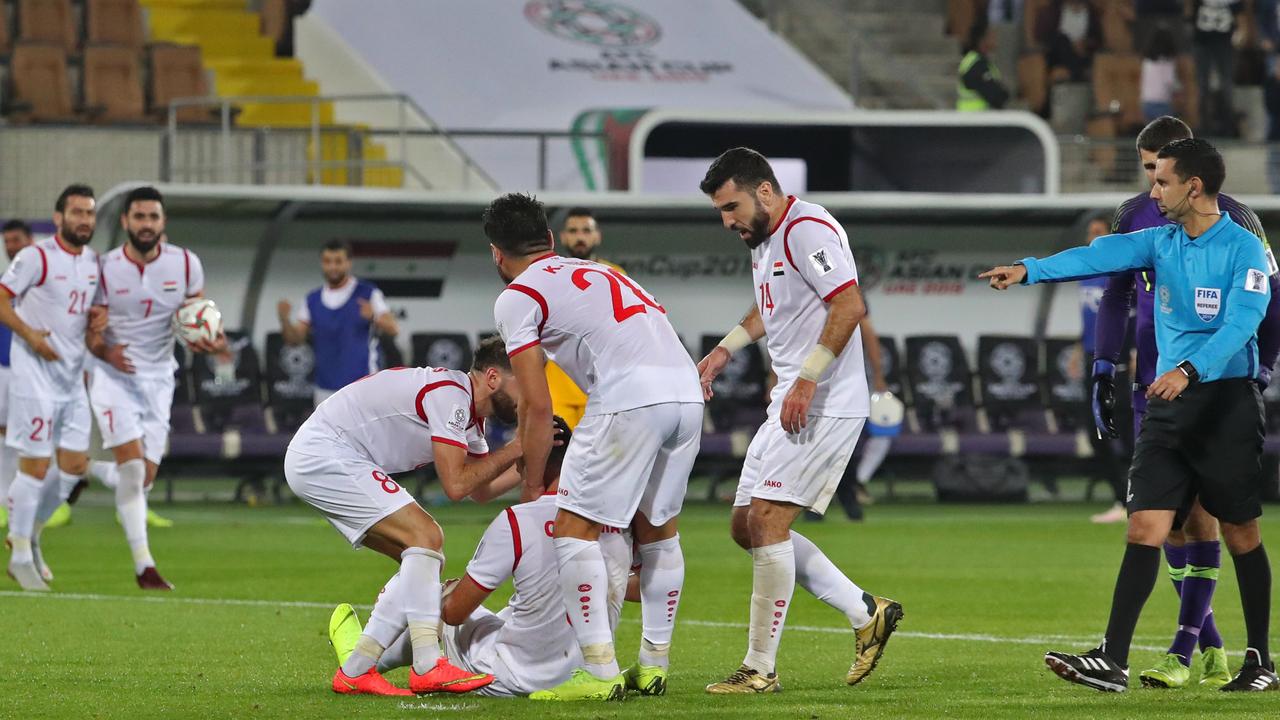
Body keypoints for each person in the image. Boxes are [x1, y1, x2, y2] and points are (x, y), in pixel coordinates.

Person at [980, 137, 1278, 693]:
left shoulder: (1244, 248)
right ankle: (1113, 659)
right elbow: (1098, 255)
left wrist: (1188, 368)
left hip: (1226, 403)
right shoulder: (1161, 242)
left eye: (1162, 180)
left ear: (1194, 187)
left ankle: (1259, 660)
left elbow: (1244, 323)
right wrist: (1028, 270)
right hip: (1170, 406)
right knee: (1144, 527)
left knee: (1240, 532)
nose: (1153, 190)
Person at [696, 147, 902, 694]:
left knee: (767, 522)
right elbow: (771, 308)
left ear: (764, 191)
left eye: (731, 206)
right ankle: (866, 612)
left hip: (823, 401)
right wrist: (723, 351)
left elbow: (850, 305)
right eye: (720, 210)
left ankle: (759, 669)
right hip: (791, 398)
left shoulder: (806, 228)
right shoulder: (764, 239)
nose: (727, 220)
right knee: (745, 527)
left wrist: (808, 377)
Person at [488, 193, 702, 701]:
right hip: (686, 390)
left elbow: (536, 407)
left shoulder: (517, 295)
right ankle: (653, 665)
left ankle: (599, 671)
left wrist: (534, 483)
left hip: (629, 395)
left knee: (572, 528)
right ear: (554, 240)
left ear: (497, 253)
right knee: (658, 533)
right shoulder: (607, 272)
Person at [1091, 116, 1280, 688]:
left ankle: (1193, 647)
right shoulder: (1135, 217)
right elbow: (1116, 293)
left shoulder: (1237, 223)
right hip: (1155, 386)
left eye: (1160, 170)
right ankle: (1196, 648)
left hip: (1213, 388)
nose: (1152, 182)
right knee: (1161, 524)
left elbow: (1269, 299)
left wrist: (1261, 367)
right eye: (1146, 168)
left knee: (1212, 523)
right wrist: (1106, 364)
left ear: (1188, 173)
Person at [325, 417, 641, 698]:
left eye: (519, 466)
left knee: (422, 579)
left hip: (509, 675)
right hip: (584, 671)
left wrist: (450, 591)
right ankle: (365, 658)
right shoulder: (613, 520)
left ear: (531, 463)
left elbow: (455, 613)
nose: (517, 474)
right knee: (504, 616)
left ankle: (361, 658)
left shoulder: (517, 521)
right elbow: (639, 588)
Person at [284, 337, 524, 696]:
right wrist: (517, 448)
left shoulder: (470, 419)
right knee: (427, 536)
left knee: (423, 559)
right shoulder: (451, 395)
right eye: (523, 380)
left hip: (330, 455)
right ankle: (427, 663)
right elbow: (456, 484)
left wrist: (529, 458)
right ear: (492, 377)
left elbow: (481, 489)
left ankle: (357, 669)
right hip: (325, 452)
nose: (531, 391)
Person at [80, 186, 224, 589]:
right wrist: (106, 354)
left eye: (153, 217)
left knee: (141, 478)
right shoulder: (105, 268)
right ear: (125, 221)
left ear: (163, 222)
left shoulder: (185, 264)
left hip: (160, 377)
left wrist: (207, 339)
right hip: (112, 375)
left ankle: (88, 465)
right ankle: (145, 566)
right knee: (130, 467)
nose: (147, 224)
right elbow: (91, 335)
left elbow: (198, 318)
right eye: (139, 217)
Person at [0, 185, 102, 591]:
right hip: (33, 376)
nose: (84, 220)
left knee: (74, 468)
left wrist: (98, 323)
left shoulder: (94, 263)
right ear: (59, 217)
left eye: (89, 213)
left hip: (71, 378)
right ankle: (20, 554)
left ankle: (32, 534)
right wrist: (29, 334)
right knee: (36, 464)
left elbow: (85, 312)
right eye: (77, 212)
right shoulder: (35, 257)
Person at [277, 240, 399, 405]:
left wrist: (374, 317)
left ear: (349, 263)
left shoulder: (368, 293)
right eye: (328, 262)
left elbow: (394, 329)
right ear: (322, 264)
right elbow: (295, 340)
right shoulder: (312, 299)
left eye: (338, 261)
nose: (333, 267)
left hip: (363, 385)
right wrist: (284, 319)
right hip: (324, 387)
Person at [1077, 214, 1131, 526]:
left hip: (1117, 363)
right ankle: (1121, 498)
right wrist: (1076, 350)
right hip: (1090, 359)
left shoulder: (1122, 273)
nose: (1093, 238)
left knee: (1125, 430)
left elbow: (1135, 317)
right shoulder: (1086, 272)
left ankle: (1137, 498)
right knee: (1095, 432)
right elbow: (1090, 320)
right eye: (1090, 233)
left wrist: (1136, 352)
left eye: (1099, 233)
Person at [549, 208, 624, 429]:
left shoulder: (615, 274)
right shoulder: (548, 274)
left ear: (597, 235)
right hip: (557, 386)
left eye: (586, 230)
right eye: (573, 230)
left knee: (602, 459)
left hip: (602, 385)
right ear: (562, 237)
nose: (580, 236)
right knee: (556, 459)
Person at [0, 220, 34, 529]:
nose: (11, 246)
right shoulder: (4, 284)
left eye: (16, 239)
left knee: (34, 436)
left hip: (37, 371)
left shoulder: (43, 282)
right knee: (4, 434)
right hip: (3, 370)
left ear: (30, 240)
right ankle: (3, 500)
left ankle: (46, 501)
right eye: (7, 241)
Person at [1190, 0, 1243, 137]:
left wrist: (1238, 37)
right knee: (1203, 85)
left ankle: (1228, 125)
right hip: (1202, 40)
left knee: (1226, 84)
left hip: (1224, 41)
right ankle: (1204, 125)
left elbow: (1239, 16)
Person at [958, 20, 1011, 111]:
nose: (995, 38)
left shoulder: (978, 60)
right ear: (982, 40)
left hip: (979, 118)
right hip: (975, 119)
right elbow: (996, 97)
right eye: (992, 36)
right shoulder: (976, 64)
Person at [1140, 29, 1179, 121]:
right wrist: (1180, 89)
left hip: (1146, 102)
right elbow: (1170, 82)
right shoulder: (1167, 62)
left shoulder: (1147, 62)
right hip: (1162, 103)